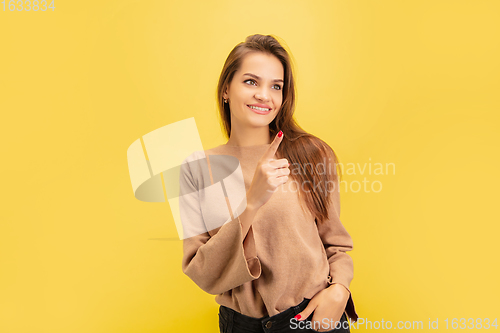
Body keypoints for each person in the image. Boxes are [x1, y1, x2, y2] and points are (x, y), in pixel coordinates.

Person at [180, 34, 358, 332]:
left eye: (276, 86)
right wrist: (251, 203)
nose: (265, 95)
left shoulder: (312, 154)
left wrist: (340, 289)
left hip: (312, 319)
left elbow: (336, 242)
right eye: (251, 82)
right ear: (226, 89)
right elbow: (203, 273)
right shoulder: (197, 168)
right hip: (241, 325)